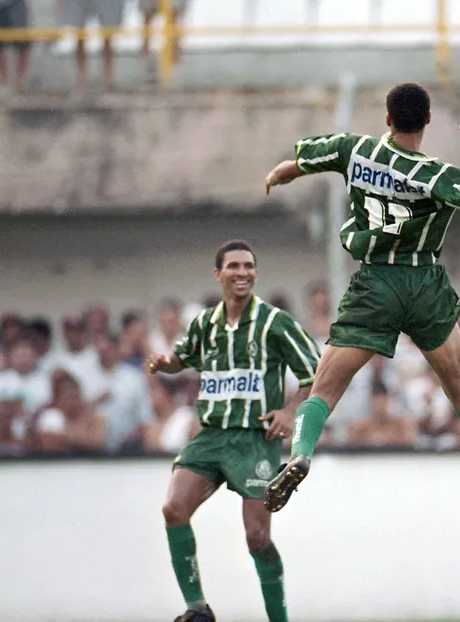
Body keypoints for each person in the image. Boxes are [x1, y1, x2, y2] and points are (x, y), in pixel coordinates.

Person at [262, 82, 460, 535]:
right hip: (425, 284)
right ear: (427, 121)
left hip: (376, 282)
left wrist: (283, 172)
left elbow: (306, 160)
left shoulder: (357, 150)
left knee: (326, 388)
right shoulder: (437, 177)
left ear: (387, 118)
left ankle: (302, 455)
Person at [146, 240, 320, 622]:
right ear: (218, 274)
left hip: (254, 439)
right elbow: (184, 357)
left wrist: (290, 411)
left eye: (249, 266)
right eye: (234, 266)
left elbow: (315, 372)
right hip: (211, 435)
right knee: (173, 509)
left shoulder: (276, 323)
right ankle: (197, 609)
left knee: (257, 538)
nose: (242, 273)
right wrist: (166, 362)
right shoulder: (205, 323)